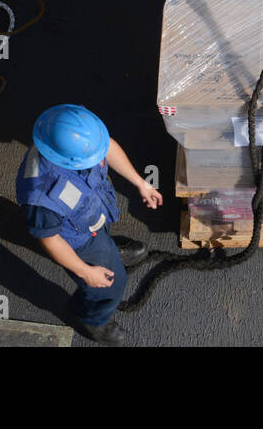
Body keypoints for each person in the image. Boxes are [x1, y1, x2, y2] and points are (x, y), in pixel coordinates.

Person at [15, 104, 163, 345]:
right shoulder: (40, 196)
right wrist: (86, 272)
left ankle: (109, 251)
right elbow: (49, 239)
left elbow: (108, 147)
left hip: (93, 216)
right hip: (79, 240)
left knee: (104, 243)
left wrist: (141, 183)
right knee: (111, 286)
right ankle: (90, 317)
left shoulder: (77, 139)